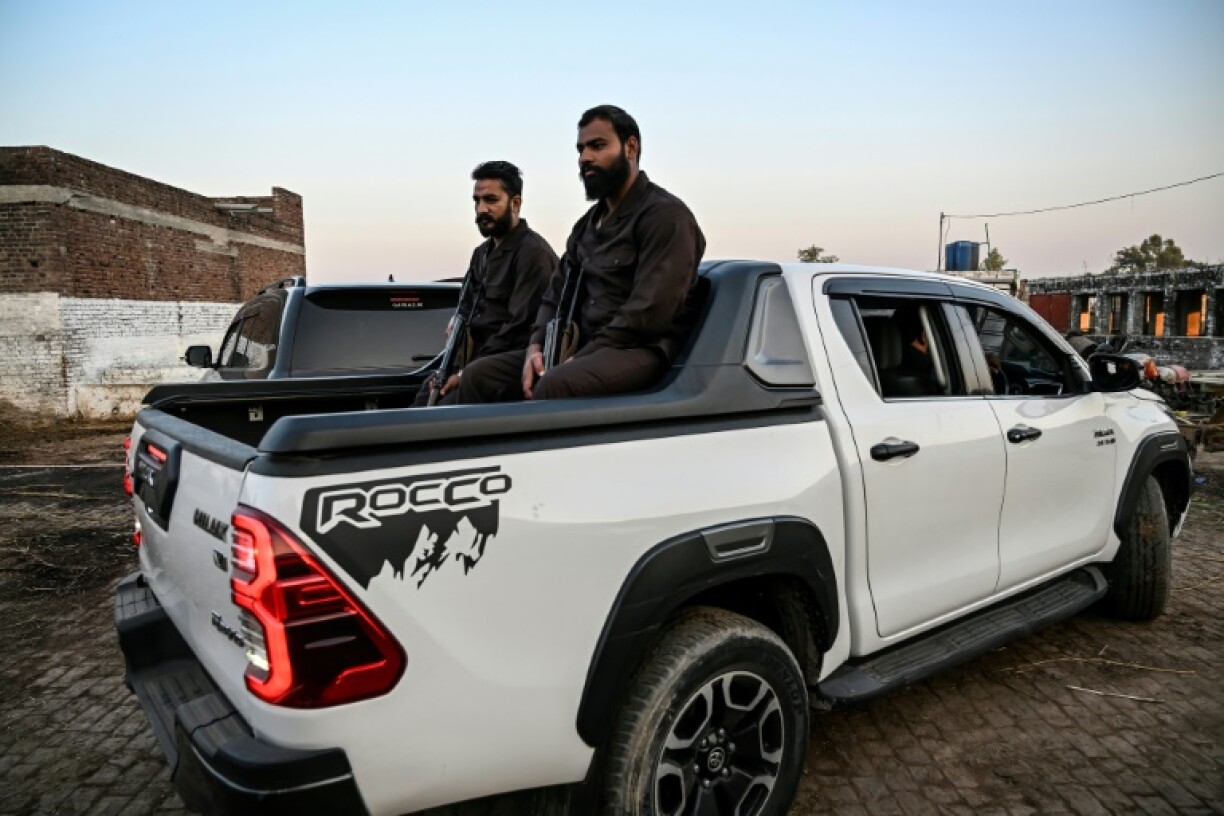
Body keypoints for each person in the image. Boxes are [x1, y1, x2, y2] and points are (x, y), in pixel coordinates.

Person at [451, 105, 705, 403]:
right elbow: (553, 296)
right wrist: (536, 347)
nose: (585, 157)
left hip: (636, 349)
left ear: (631, 147)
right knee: (480, 375)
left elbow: (648, 313)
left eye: (597, 146)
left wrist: (581, 357)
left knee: (555, 384)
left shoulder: (665, 216)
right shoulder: (585, 227)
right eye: (581, 149)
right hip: (579, 347)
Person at [416, 161, 557, 406]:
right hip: (474, 361)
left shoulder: (533, 253)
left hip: (507, 362)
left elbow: (518, 329)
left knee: (448, 405)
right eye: (477, 201)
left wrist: (462, 373)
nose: (482, 209)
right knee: (425, 394)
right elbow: (465, 310)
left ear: (515, 203)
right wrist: (450, 366)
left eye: (491, 200)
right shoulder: (480, 254)